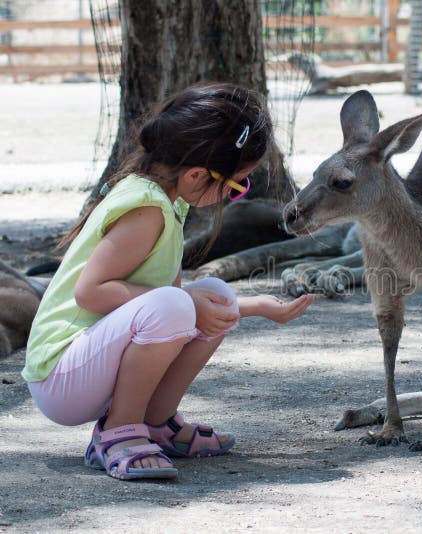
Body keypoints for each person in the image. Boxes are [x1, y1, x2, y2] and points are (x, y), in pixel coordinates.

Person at [23, 82, 314, 481]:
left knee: (213, 294)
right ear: (197, 175)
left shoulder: (168, 204)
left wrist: (257, 307)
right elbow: (90, 292)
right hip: (61, 375)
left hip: (92, 361)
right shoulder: (146, 210)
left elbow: (172, 302)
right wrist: (187, 303)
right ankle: (117, 433)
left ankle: (155, 423)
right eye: (236, 186)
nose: (235, 195)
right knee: (181, 303)